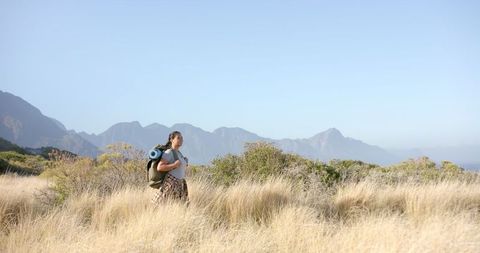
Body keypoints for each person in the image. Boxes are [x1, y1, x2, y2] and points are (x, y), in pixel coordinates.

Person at [151, 131, 189, 206]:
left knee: (179, 208)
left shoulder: (179, 153)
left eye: (181, 138)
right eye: (178, 138)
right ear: (172, 140)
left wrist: (185, 162)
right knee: (163, 206)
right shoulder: (169, 152)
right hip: (171, 184)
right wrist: (174, 165)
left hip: (180, 184)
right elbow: (160, 167)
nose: (181, 139)